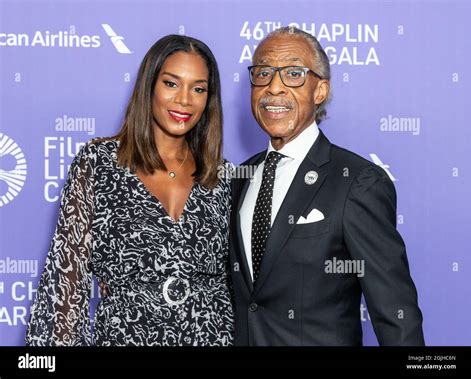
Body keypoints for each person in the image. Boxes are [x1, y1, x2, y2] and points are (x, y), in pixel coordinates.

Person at [25, 35, 234, 346]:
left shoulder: (223, 176)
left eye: (199, 88)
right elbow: (66, 278)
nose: (185, 100)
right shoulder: (98, 163)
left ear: (209, 99)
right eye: (171, 84)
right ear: (149, 86)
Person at [229, 27, 425, 346]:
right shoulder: (240, 177)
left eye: (293, 73)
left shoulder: (357, 181)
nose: (273, 87)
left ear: (320, 91)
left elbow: (395, 313)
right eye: (263, 73)